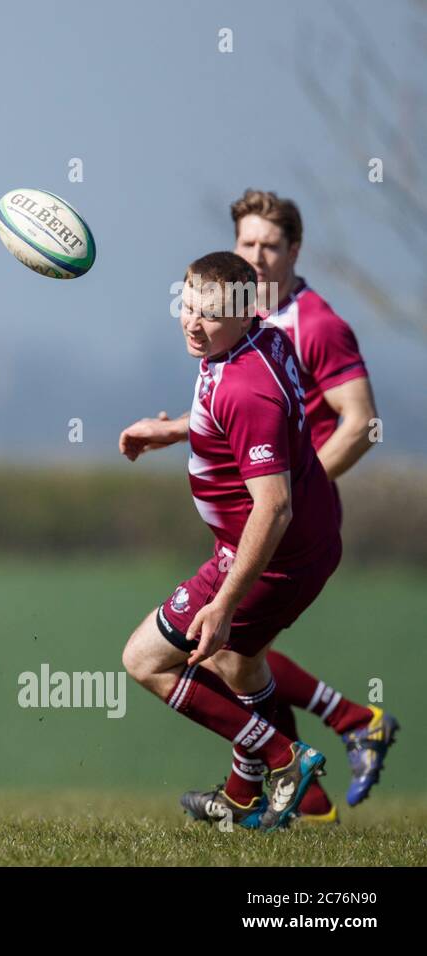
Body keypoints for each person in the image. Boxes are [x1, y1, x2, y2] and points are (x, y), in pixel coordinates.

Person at [120, 191, 397, 822]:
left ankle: (283, 760)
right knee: (238, 660)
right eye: (186, 306)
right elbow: (241, 425)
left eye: (209, 314)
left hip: (273, 549)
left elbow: (273, 505)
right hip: (287, 542)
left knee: (150, 659)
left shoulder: (254, 380)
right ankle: (270, 788)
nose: (193, 323)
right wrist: (175, 431)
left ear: (246, 310)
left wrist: (224, 597)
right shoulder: (254, 340)